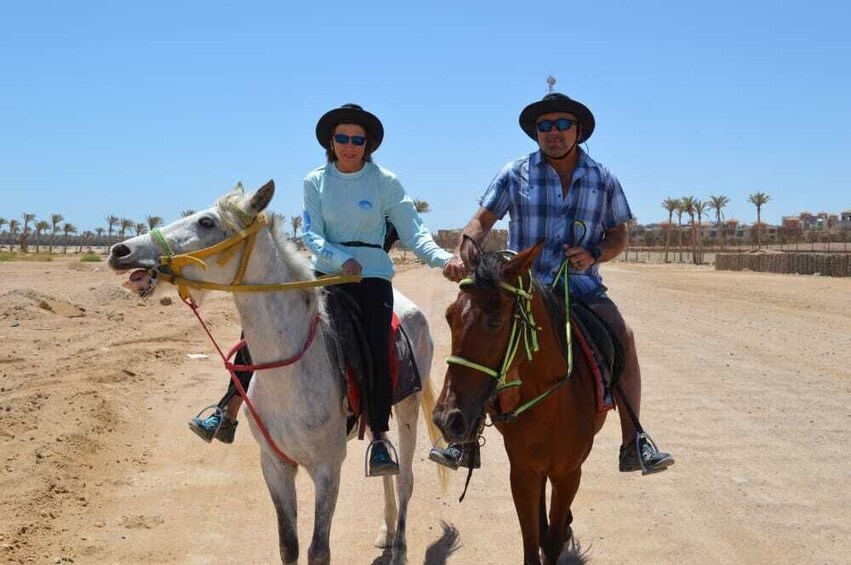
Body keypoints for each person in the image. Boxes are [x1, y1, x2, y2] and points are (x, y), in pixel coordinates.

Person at [191, 103, 453, 478]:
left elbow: (414, 231)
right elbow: (312, 234)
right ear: (331, 142)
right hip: (325, 274)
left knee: (377, 345)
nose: (349, 145)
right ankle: (228, 409)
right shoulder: (315, 180)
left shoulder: (386, 182)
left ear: (368, 144)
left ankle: (379, 436)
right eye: (342, 138)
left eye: (357, 139)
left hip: (372, 277)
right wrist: (338, 257)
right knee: (261, 325)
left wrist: (442, 260)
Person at [431, 92, 675, 475]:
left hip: (580, 286)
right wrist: (465, 251)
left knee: (622, 336)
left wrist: (595, 254)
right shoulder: (515, 173)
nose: (554, 133)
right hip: (522, 286)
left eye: (563, 124)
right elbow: (480, 221)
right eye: (545, 126)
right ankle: (462, 442)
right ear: (536, 133)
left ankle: (634, 441)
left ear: (578, 131)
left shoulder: (603, 178)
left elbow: (618, 235)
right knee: (477, 339)